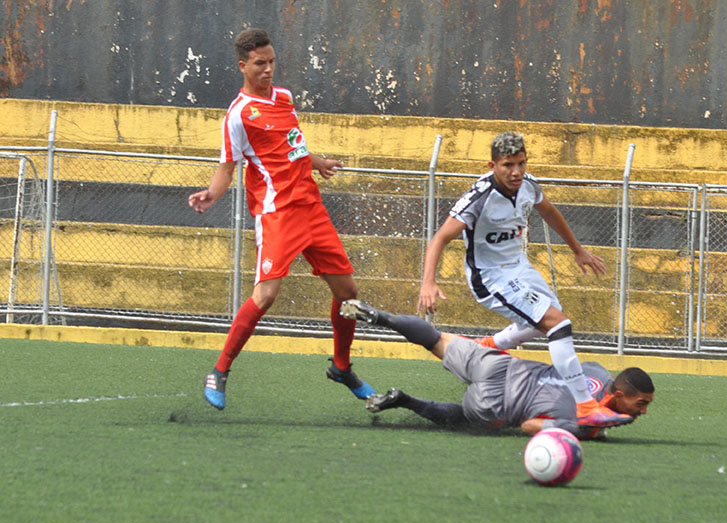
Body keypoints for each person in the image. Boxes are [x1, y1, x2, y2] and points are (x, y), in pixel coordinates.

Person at [188, 27, 374, 410]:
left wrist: (317, 161)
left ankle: (341, 367)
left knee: (348, 294)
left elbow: (293, 146)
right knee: (266, 294)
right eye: (260, 64)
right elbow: (227, 167)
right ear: (243, 65)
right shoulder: (237, 115)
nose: (268, 69)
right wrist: (211, 193)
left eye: (272, 61)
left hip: (312, 209)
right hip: (277, 214)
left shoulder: (285, 98)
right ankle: (219, 370)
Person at [417, 131, 630, 427]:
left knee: (550, 325)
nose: (516, 172)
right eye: (508, 165)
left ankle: (489, 344)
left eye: (521, 163)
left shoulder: (528, 186)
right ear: (492, 165)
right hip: (491, 277)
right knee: (558, 324)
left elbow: (551, 212)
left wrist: (578, 250)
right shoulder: (478, 198)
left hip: (519, 268)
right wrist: (428, 283)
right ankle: (584, 407)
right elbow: (440, 238)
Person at [339, 299, 653, 437]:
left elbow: (593, 378)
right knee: (464, 419)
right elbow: (531, 427)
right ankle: (408, 401)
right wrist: (586, 431)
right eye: (640, 404)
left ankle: (381, 318)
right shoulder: (585, 422)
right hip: (496, 404)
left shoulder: (597, 370)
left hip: (499, 366)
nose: (643, 411)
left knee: (434, 338)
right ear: (622, 395)